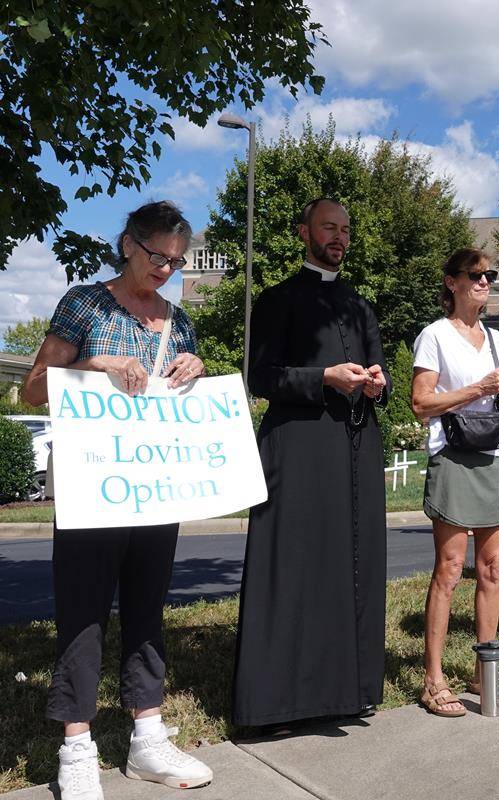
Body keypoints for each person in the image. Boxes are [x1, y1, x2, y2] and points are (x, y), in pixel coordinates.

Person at [22, 201, 213, 799]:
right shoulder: (84, 304)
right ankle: (76, 745)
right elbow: (32, 390)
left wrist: (196, 367)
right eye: (158, 256)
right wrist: (91, 363)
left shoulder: (177, 321)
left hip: (154, 486)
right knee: (82, 611)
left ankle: (146, 735)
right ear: (128, 243)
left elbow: (178, 396)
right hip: (94, 485)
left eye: (177, 262)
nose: (166, 269)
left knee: (148, 607)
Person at [233, 198, 389, 728]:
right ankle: (278, 701)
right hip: (297, 447)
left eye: (345, 229)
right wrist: (323, 378)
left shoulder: (360, 306)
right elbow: (261, 378)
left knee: (352, 565)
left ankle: (352, 690)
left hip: (355, 445)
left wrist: (376, 381)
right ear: (304, 232)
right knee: (296, 564)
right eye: (329, 227)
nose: (339, 237)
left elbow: (380, 372)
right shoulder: (277, 300)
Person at [411, 248, 499, 717]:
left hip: (494, 457)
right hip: (454, 458)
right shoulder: (434, 336)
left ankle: (484, 669)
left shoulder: (497, 339)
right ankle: (433, 677)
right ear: (452, 282)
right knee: (451, 569)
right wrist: (480, 388)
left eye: (489, 275)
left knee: (493, 568)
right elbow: (420, 403)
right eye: (475, 275)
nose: (484, 282)